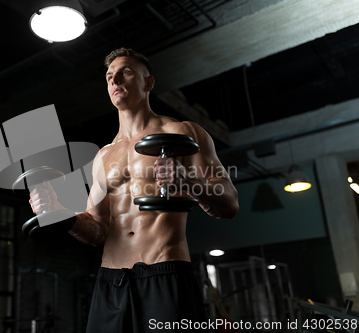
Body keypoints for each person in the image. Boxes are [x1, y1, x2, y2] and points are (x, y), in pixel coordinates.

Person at [29, 48, 239, 332]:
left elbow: (230, 203)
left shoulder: (182, 133)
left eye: (125, 72)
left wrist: (188, 181)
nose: (115, 80)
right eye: (109, 76)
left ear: (148, 83)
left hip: (166, 273)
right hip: (111, 281)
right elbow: (97, 229)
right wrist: (60, 214)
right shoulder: (103, 156)